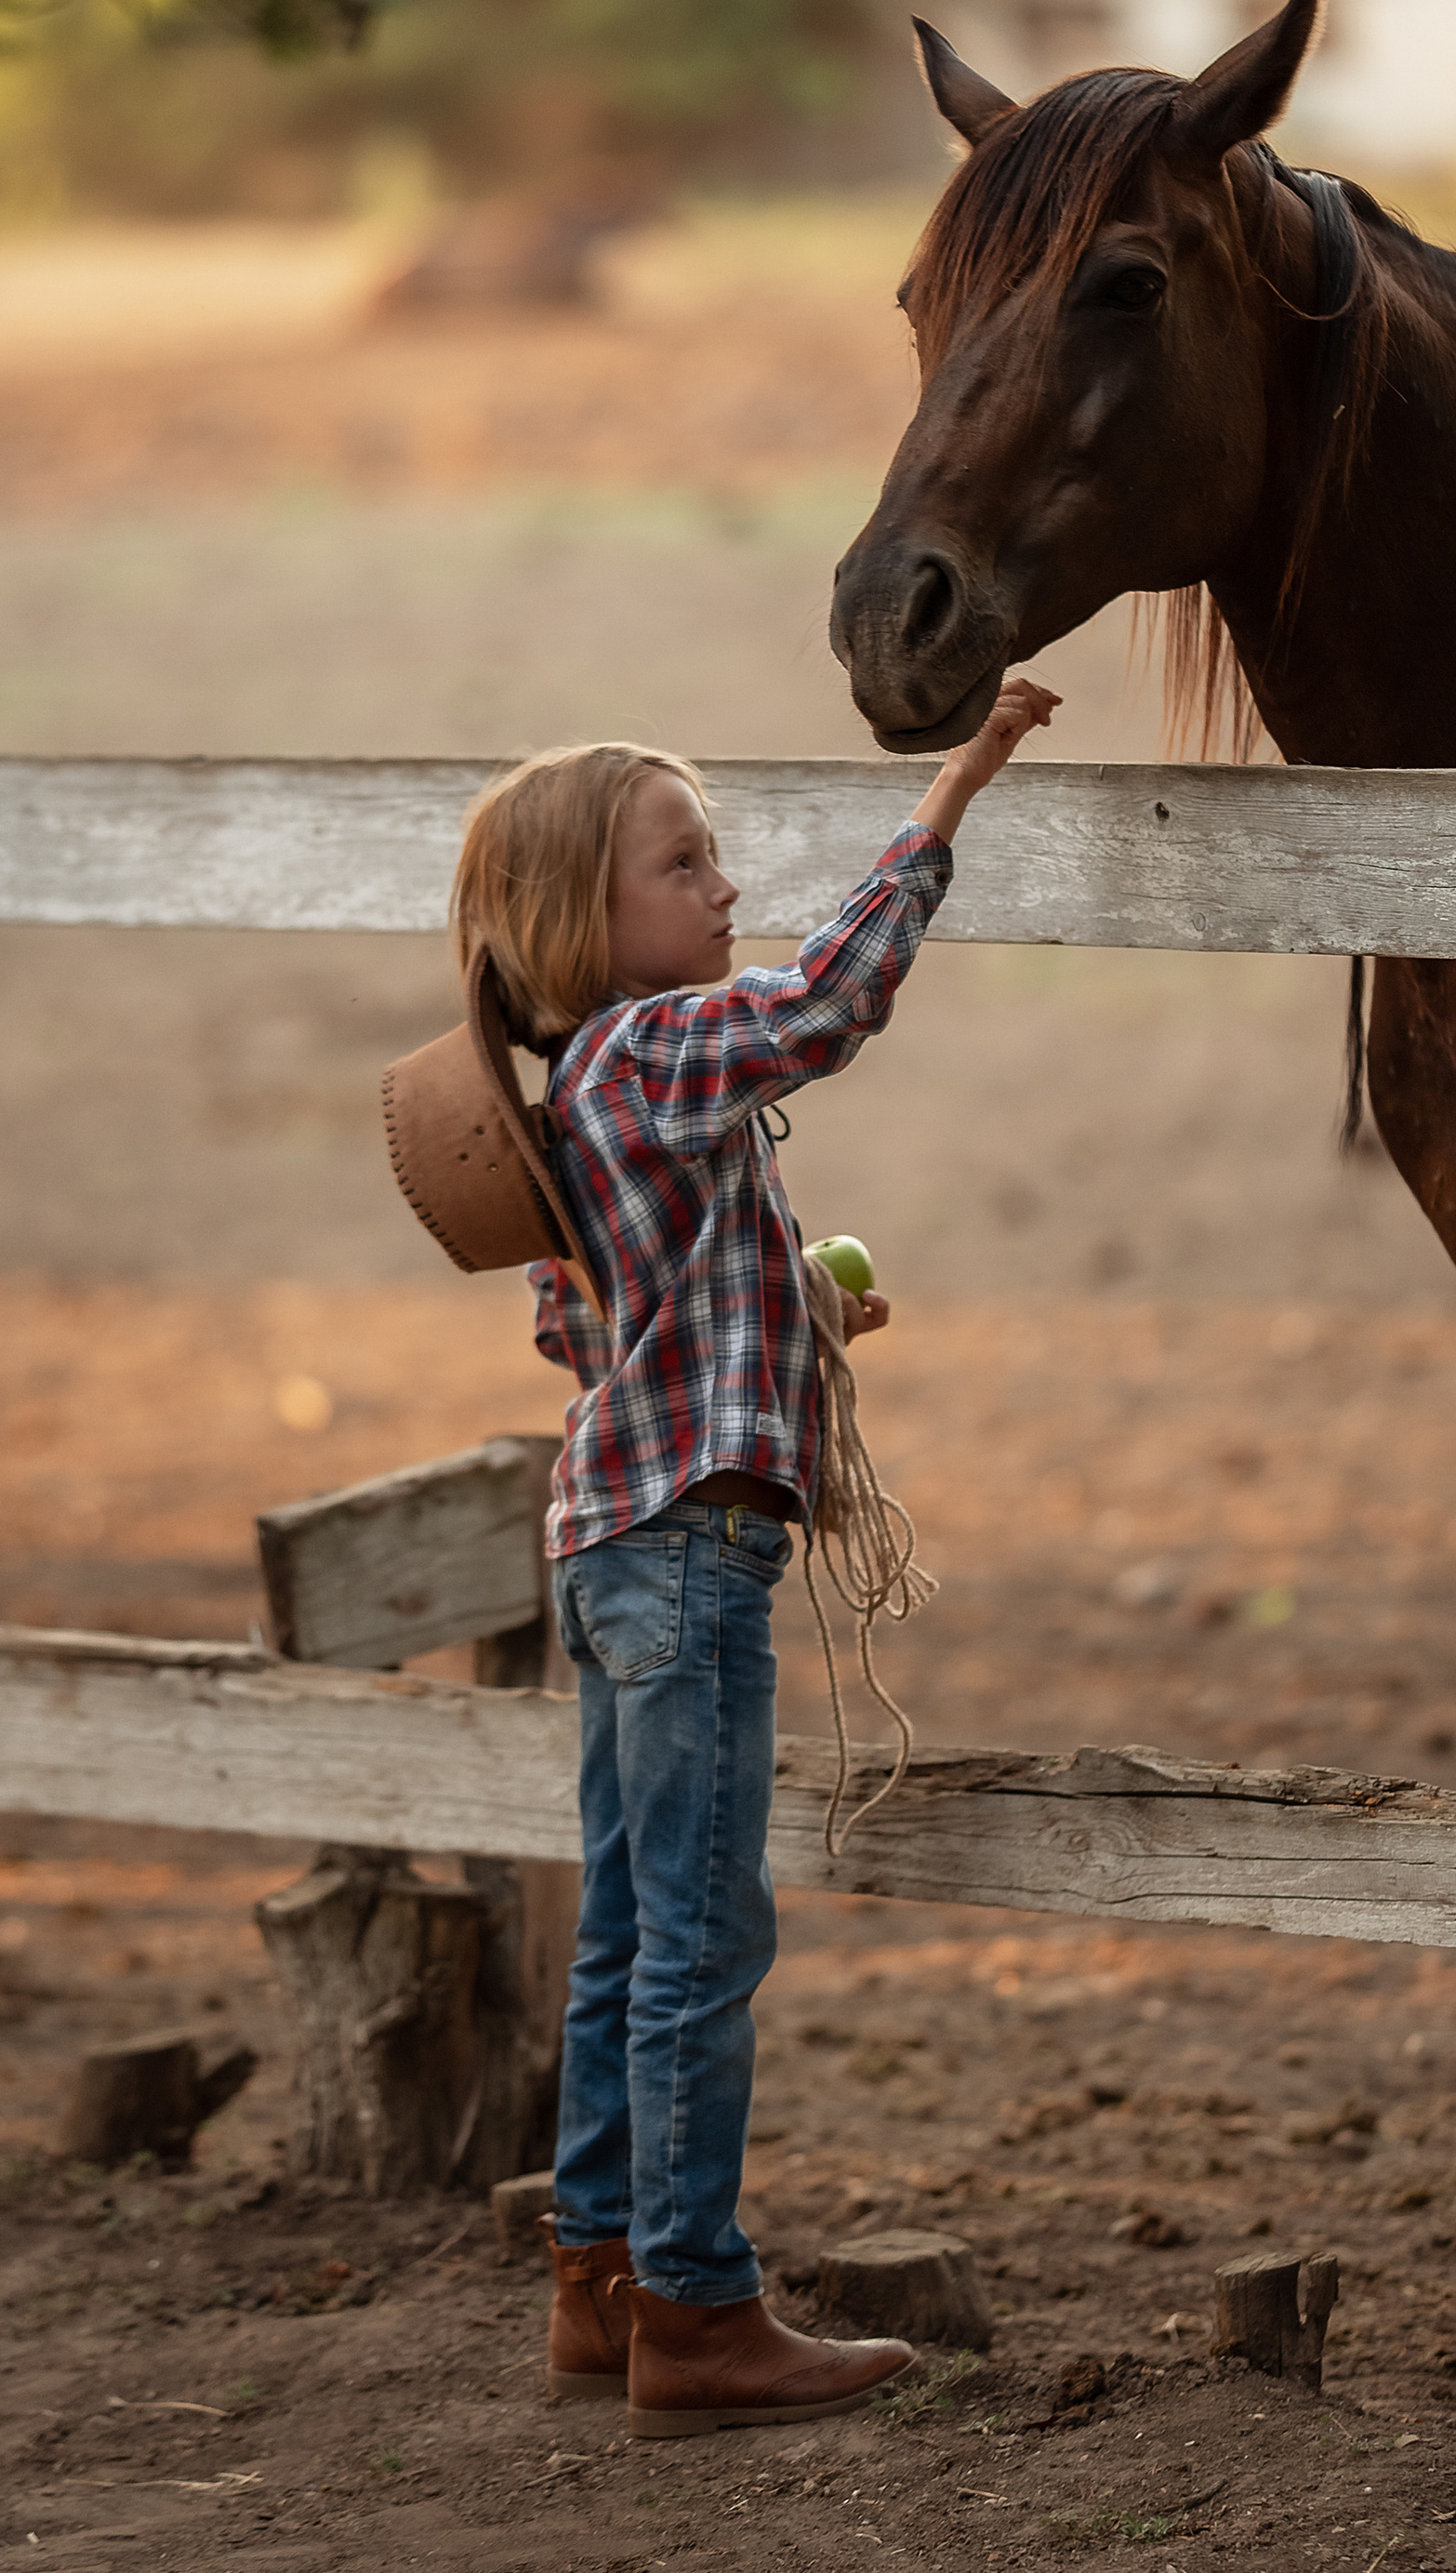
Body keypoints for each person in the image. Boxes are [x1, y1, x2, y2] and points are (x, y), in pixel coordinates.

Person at [447, 675, 1059, 2438]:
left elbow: (595, 1347)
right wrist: (952, 796)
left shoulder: (583, 1100)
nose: (723, 889)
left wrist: (797, 1312)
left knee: (632, 1932)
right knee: (708, 1936)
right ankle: (700, 2314)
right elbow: (827, 1003)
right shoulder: (660, 1050)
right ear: (591, 922)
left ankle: (602, 2278)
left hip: (612, 1545)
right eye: (684, 863)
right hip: (695, 1556)